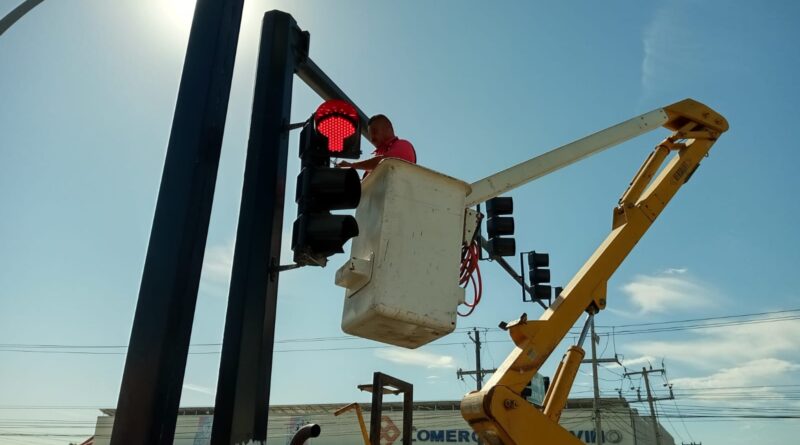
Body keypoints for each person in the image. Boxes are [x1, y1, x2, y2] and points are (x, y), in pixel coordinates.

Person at [336, 114, 416, 174]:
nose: (372, 139)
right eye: (370, 135)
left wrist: (351, 165)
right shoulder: (375, 159)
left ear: (388, 128)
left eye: (374, 132)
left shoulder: (403, 145)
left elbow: (386, 161)